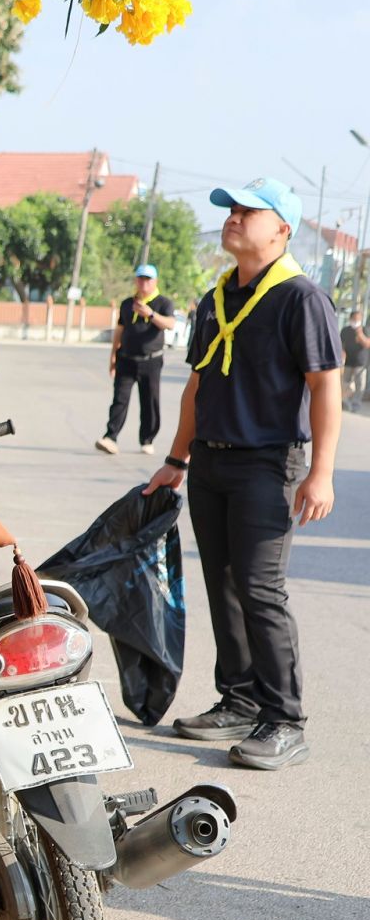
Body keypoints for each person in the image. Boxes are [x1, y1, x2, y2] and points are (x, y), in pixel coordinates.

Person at [149, 178, 342, 771]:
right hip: (210, 461)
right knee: (223, 585)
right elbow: (198, 384)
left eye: (248, 211)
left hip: (268, 463)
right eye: (231, 210)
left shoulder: (301, 298)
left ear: (282, 229)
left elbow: (325, 386)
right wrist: (177, 459)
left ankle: (285, 720)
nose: (233, 218)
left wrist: (321, 472)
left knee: (261, 589)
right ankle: (238, 700)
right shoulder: (215, 298)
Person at [96, 263, 176, 455]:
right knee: (120, 399)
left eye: (148, 279)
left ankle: (147, 439)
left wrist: (150, 314)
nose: (144, 283)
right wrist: (113, 356)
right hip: (126, 359)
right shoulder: (127, 304)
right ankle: (110, 437)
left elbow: (170, 324)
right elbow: (120, 330)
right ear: (136, 281)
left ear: (155, 281)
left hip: (151, 360)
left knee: (150, 401)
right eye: (141, 279)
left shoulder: (163, 303)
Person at [340, 308, 368, 411]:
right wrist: (342, 354)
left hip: (360, 362)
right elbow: (341, 344)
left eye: (358, 319)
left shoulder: (364, 330)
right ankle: (345, 402)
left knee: (359, 384)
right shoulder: (345, 330)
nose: (356, 321)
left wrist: (360, 334)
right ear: (350, 319)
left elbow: (367, 344)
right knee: (346, 383)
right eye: (354, 319)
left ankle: (356, 404)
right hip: (348, 361)